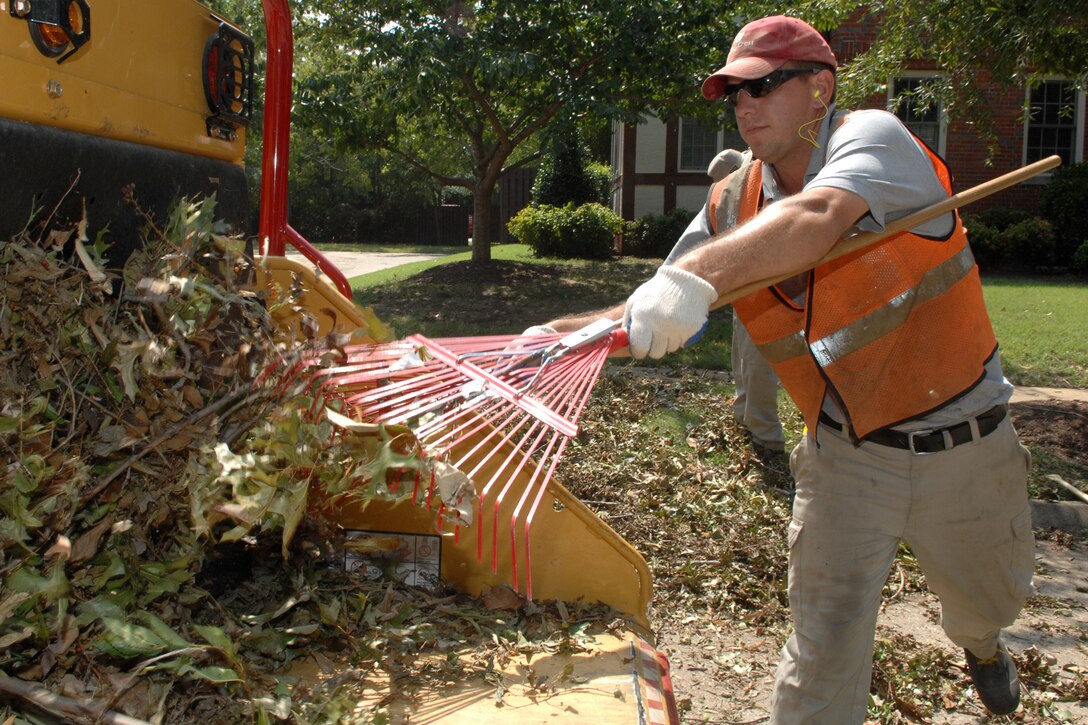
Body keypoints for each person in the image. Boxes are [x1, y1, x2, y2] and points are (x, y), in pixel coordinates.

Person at [531, 14, 1035, 723]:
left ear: (821, 90)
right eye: (734, 92)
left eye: (763, 85)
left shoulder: (874, 139)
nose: (744, 105)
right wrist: (555, 340)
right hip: (845, 456)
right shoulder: (734, 202)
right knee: (820, 653)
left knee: (989, 600)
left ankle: (982, 644)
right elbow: (655, 299)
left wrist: (699, 277)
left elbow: (819, 216)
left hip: (964, 444)